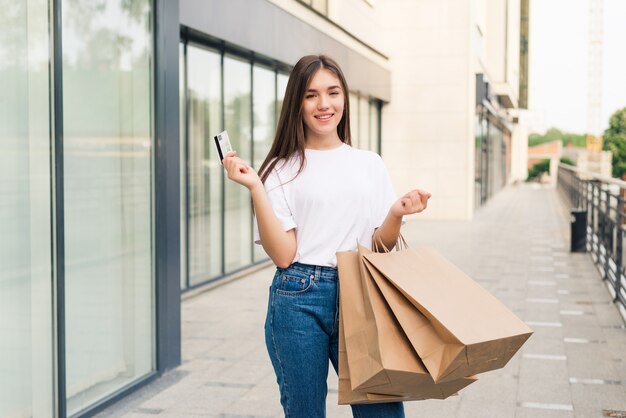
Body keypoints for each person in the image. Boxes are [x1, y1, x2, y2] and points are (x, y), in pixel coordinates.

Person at [222, 55, 430, 418]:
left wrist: (396, 212)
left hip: (362, 293)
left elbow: (381, 246)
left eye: (333, 93)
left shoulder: (369, 163)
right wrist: (255, 186)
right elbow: (284, 256)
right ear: (297, 104)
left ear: (344, 98)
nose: (324, 104)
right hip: (299, 298)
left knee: (382, 412)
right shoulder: (279, 168)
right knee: (304, 412)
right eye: (311, 95)